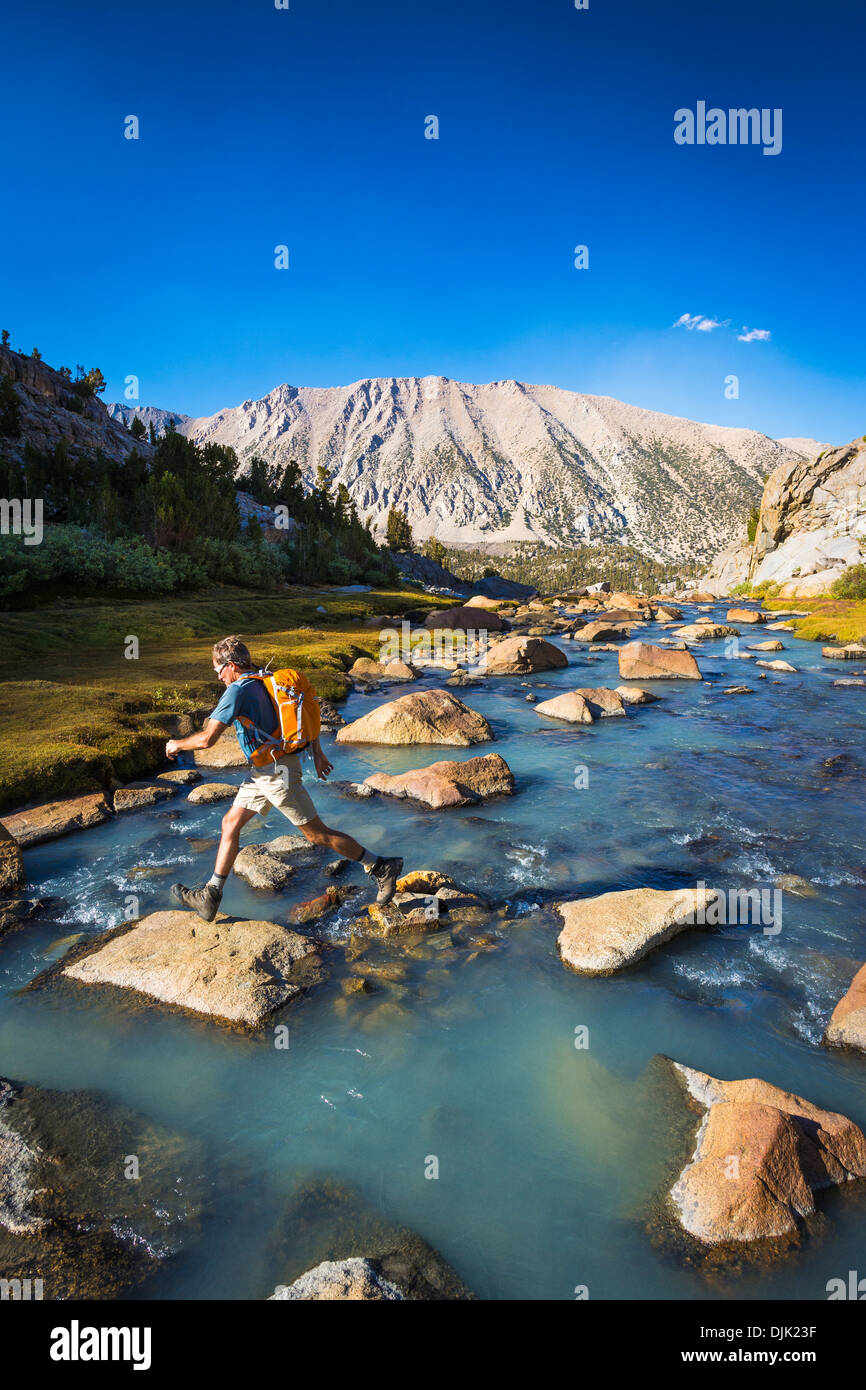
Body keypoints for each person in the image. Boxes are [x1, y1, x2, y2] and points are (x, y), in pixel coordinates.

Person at [165, 635, 402, 921]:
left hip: (275, 773)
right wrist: (317, 752)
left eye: (218, 670)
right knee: (230, 823)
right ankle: (210, 896)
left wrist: (177, 744)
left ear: (230, 665)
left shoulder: (237, 691)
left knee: (317, 835)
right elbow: (306, 714)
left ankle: (379, 866)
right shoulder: (268, 680)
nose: (218, 677)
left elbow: (206, 741)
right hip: (268, 769)